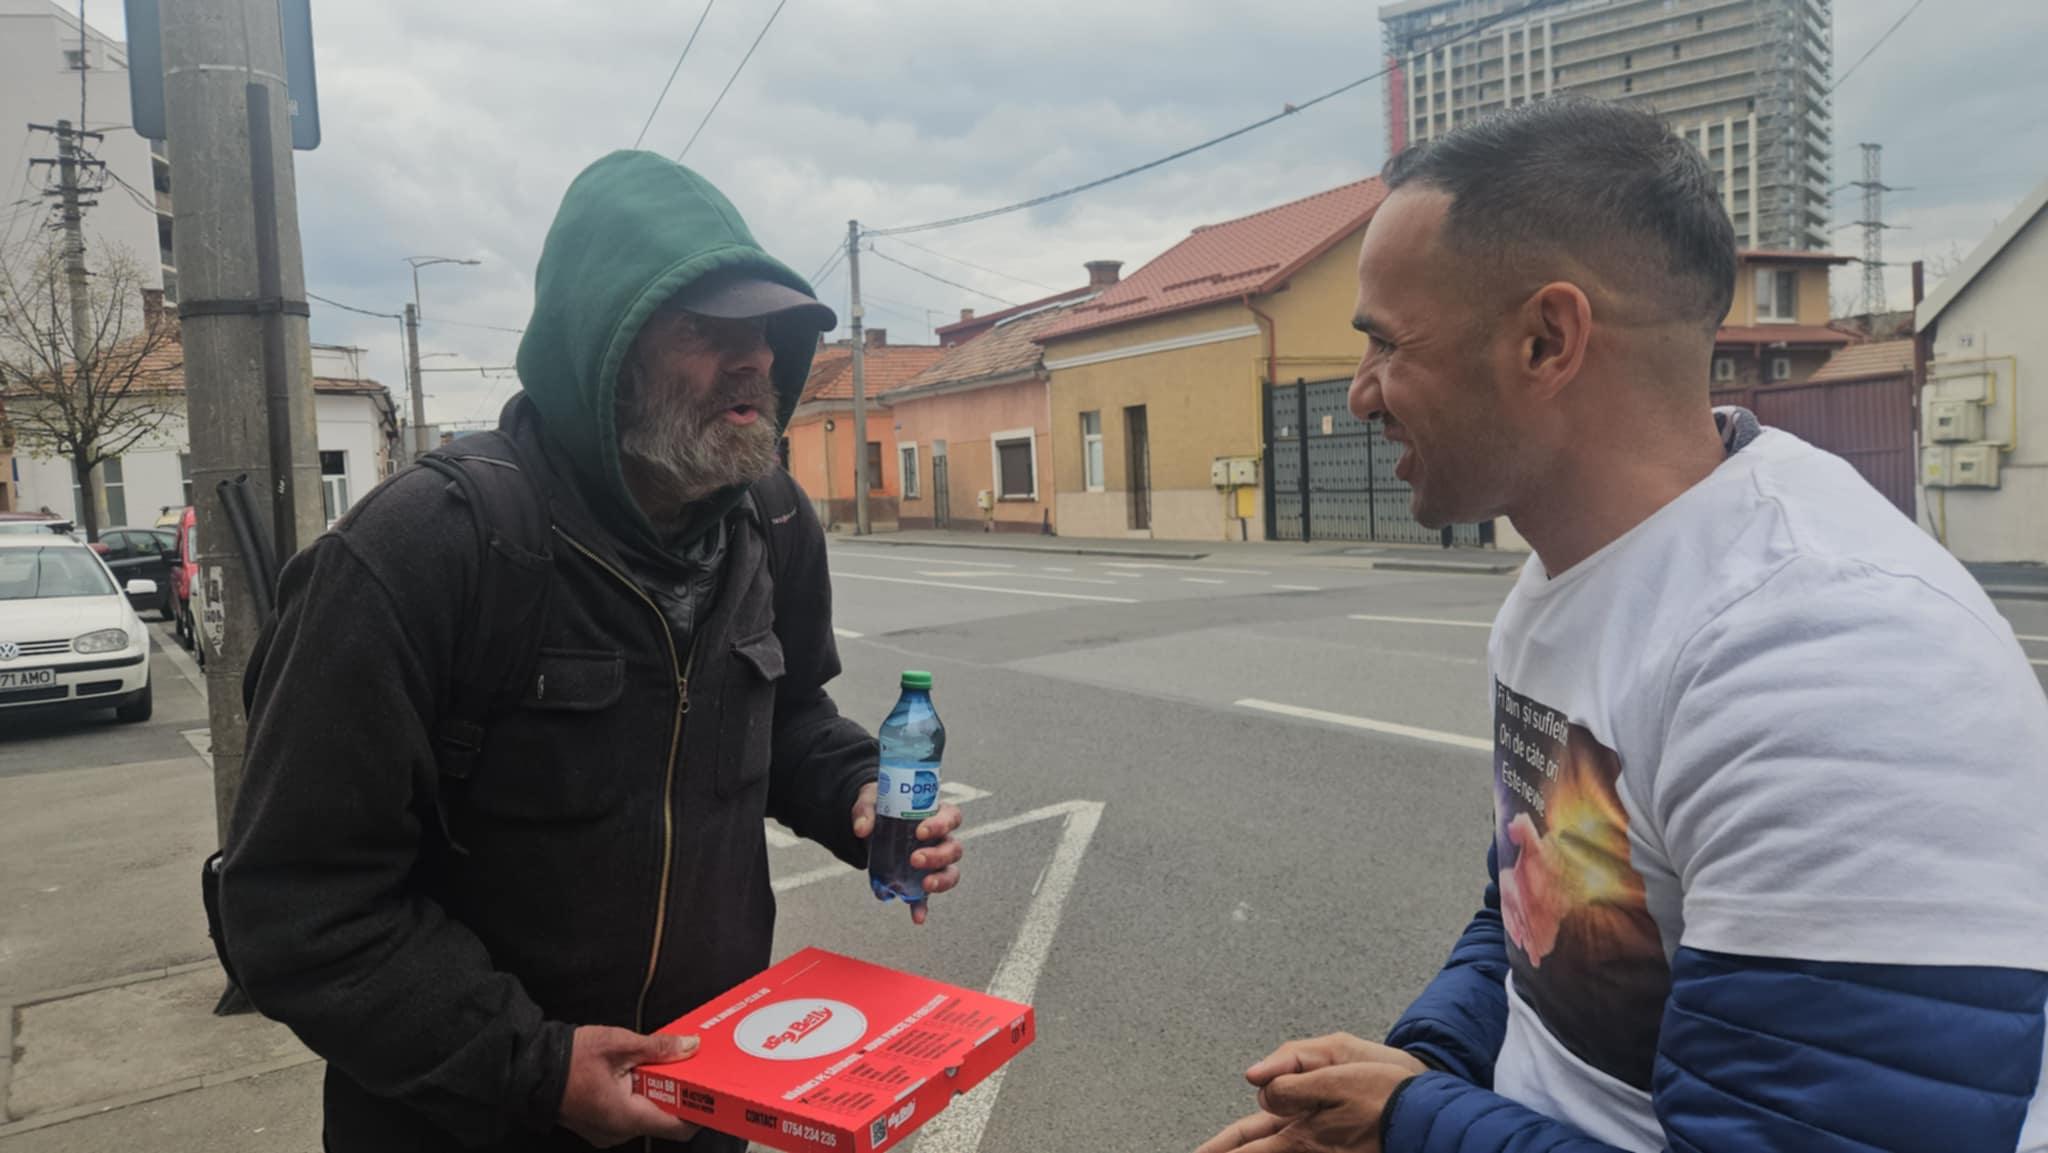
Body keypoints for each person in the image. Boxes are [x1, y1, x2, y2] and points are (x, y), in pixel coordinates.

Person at [1199, 98, 2048, 1153]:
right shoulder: (1565, 580)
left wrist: (1412, 1122)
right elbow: (1537, 924)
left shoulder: (1833, 659)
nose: (1361, 396)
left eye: (1384, 343)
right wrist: (1425, 1065)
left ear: (1545, 340)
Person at [221, 151, 965, 1153]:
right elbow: (296, 904)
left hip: (705, 1102)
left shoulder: (771, 521)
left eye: (766, 332)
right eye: (704, 329)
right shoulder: (422, 550)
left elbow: (786, 716)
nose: (754, 359)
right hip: (471, 1125)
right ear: (603, 353)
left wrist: (856, 790)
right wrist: (534, 1067)